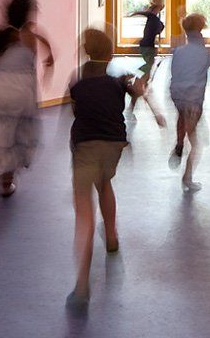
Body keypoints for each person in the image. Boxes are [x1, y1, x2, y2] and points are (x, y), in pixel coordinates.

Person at [67, 26, 147, 311]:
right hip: (113, 146)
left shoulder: (77, 84)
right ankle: (111, 236)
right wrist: (135, 90)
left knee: (84, 217)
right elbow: (133, 95)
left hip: (85, 147)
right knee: (105, 184)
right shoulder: (117, 84)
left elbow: (79, 113)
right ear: (111, 53)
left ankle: (81, 284)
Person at [0, 0, 55, 199]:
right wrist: (46, 76)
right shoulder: (31, 36)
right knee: (20, 137)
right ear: (28, 15)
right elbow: (49, 59)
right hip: (21, 92)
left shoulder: (0, 36)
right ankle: (5, 182)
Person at [167, 12, 210, 192]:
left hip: (177, 94)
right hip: (194, 98)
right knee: (197, 141)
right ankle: (187, 178)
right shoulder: (204, 52)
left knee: (182, 116)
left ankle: (180, 141)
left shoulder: (179, 52)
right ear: (201, 29)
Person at [128, 0, 166, 113]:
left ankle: (139, 80)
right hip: (147, 46)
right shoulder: (153, 17)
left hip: (147, 45)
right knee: (148, 68)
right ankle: (137, 81)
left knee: (148, 66)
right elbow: (158, 27)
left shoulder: (152, 16)